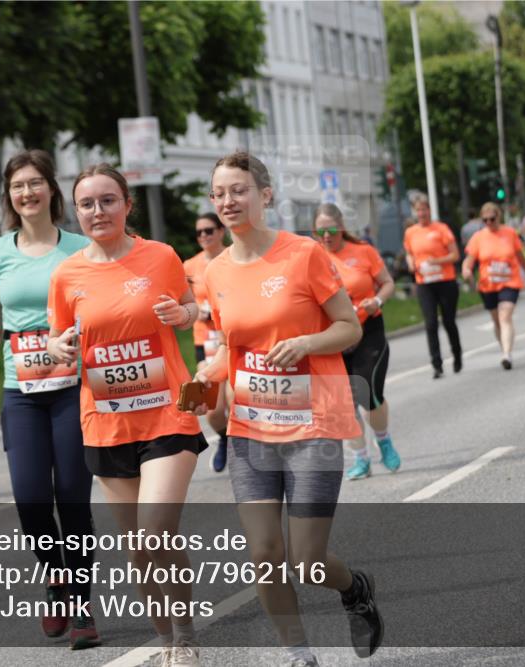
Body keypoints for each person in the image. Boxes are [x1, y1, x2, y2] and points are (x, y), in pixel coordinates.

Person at [186, 151, 384, 667]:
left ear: (265, 195)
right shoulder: (216, 271)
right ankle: (299, 655)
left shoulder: (303, 254)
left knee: (307, 562)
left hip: (313, 424)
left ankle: (354, 589)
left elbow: (349, 326)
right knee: (264, 556)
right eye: (219, 193)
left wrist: (306, 344)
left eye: (239, 190)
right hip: (250, 428)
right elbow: (232, 348)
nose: (228, 201)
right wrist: (206, 377)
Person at [46, 163, 207, 667]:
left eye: (108, 200)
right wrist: (59, 348)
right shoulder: (67, 273)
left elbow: (192, 304)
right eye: (88, 204)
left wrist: (186, 315)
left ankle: (184, 641)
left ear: (127, 205)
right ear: (75, 212)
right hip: (106, 421)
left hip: (168, 413)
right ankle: (166, 640)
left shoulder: (159, 256)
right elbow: (56, 340)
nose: (98, 211)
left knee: (157, 529)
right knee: (139, 550)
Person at [0, 149, 99, 650]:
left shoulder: (80, 249)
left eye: (35, 183)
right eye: (18, 186)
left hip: (72, 389)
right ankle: (57, 578)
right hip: (21, 391)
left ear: (51, 190)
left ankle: (82, 604)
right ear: (9, 195)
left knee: (73, 499)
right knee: (31, 499)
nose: (27, 193)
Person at [312, 203, 399, 481]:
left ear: (342, 228)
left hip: (367, 330)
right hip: (334, 337)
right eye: (320, 231)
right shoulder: (312, 258)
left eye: (331, 230)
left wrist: (377, 300)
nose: (326, 236)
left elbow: (387, 282)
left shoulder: (363, 251)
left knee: (367, 393)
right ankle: (361, 458)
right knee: (343, 403)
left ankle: (383, 439)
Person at [183, 212, 232, 473]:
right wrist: (195, 312)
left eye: (209, 230)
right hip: (207, 342)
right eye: (199, 232)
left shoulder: (234, 257)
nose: (204, 236)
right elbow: (182, 303)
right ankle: (224, 439)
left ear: (221, 231)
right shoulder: (189, 266)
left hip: (234, 340)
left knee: (237, 400)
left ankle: (247, 450)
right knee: (212, 409)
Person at [462, 202, 525, 370]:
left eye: (492, 219)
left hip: (510, 282)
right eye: (485, 220)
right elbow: (469, 259)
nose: (488, 223)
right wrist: (466, 270)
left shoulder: (509, 234)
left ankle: (507, 354)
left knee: (505, 316)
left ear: (498, 217)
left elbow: (520, 257)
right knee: (496, 320)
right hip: (488, 285)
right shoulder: (478, 238)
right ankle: (504, 348)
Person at [404, 194, 463, 378]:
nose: (421, 213)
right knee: (430, 323)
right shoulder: (410, 232)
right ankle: (436, 364)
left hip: (445, 280)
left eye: (424, 209)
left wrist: (436, 261)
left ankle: (457, 355)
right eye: (418, 210)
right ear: (415, 212)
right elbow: (409, 253)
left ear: (429, 211)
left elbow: (455, 255)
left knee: (448, 321)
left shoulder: (441, 229)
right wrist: (411, 263)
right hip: (425, 283)